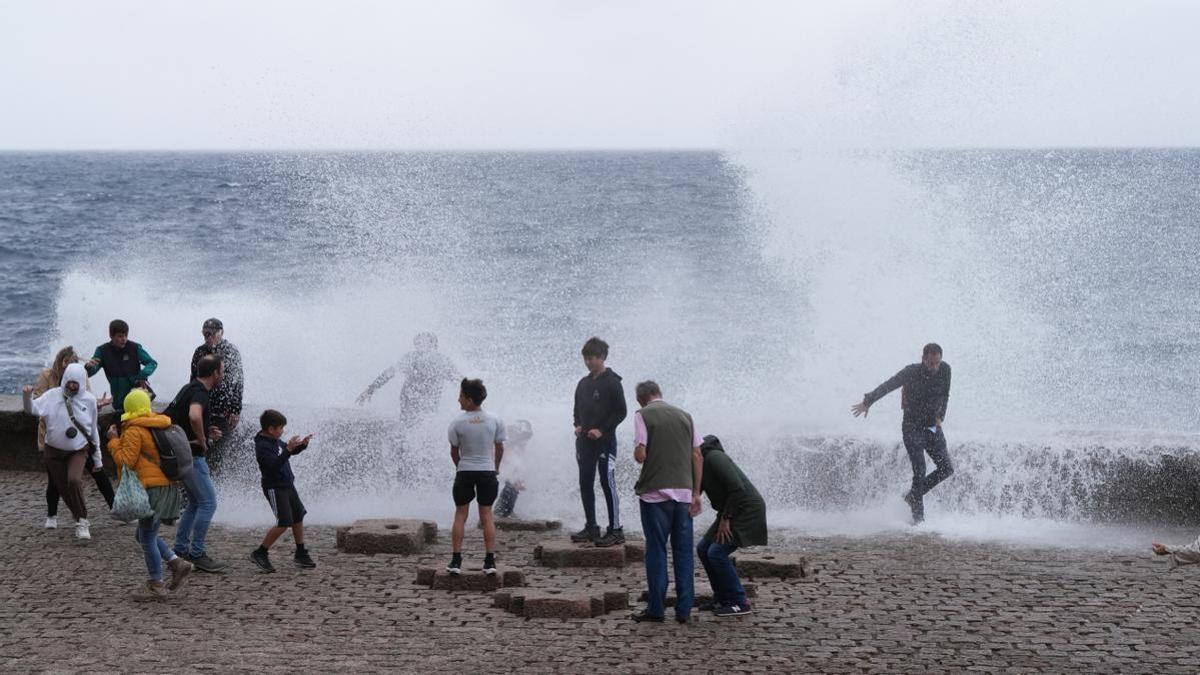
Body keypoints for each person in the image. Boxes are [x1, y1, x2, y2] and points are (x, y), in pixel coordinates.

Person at [105, 389, 193, 600]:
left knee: (146, 537)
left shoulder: (135, 430)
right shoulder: (157, 423)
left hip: (152, 489)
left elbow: (126, 461)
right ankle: (176, 563)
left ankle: (156, 584)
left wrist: (113, 441)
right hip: (165, 486)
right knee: (143, 534)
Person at [851, 343, 953, 524]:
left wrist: (940, 417)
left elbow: (945, 394)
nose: (934, 367)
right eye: (931, 363)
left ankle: (913, 496)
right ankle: (919, 521)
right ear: (923, 359)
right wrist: (868, 401)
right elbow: (888, 385)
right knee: (920, 470)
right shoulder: (911, 372)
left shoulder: (945, 370)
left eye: (937, 362)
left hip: (932, 426)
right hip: (912, 427)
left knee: (946, 469)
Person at [630, 380, 703, 624]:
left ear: (641, 399)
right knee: (683, 552)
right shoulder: (686, 416)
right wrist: (696, 493)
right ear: (659, 394)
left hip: (655, 494)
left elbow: (641, 453)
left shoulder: (642, 415)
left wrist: (639, 453)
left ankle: (656, 608)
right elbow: (697, 454)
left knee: (657, 549)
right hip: (684, 493)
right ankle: (684, 610)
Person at [34, 346, 113, 529]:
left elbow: (87, 402)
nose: (70, 366)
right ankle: (52, 515)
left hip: (81, 440)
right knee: (55, 480)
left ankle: (115, 507)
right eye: (67, 362)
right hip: (54, 435)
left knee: (98, 473)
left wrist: (98, 404)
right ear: (60, 361)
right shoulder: (48, 376)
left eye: (73, 363)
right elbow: (38, 402)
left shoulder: (80, 377)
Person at [22, 363, 103, 540]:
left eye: (76, 383)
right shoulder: (52, 396)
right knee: (64, 489)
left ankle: (82, 521)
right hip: (53, 452)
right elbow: (32, 409)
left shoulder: (89, 400)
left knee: (73, 480)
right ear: (64, 380)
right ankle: (80, 519)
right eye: (69, 382)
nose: (72, 386)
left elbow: (93, 430)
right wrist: (27, 396)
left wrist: (98, 459)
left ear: (82, 382)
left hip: (78, 450)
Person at [168, 354, 228, 573]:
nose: (223, 374)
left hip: (180, 454)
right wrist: (202, 439)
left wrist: (206, 429)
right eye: (221, 370)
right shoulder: (201, 392)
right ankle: (197, 553)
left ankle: (181, 549)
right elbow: (194, 416)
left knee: (194, 503)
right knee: (209, 503)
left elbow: (183, 418)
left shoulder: (188, 387)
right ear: (214, 373)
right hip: (192, 456)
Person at [696, 435, 767, 618]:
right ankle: (722, 598)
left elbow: (737, 488)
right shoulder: (698, 461)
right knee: (703, 548)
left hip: (745, 509)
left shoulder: (714, 457)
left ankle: (739, 601)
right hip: (731, 509)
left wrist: (726, 519)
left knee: (716, 553)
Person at [570, 337, 628, 547]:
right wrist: (577, 424)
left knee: (607, 483)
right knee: (585, 482)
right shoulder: (583, 383)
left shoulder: (612, 382)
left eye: (592, 358)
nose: (588, 362)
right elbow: (576, 409)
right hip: (584, 442)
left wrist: (602, 430)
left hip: (605, 442)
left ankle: (615, 529)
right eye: (585, 358)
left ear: (602, 357)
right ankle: (591, 526)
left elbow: (621, 412)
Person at [446, 378, 506, 576]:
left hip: (465, 471)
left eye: (461, 396)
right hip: (487, 471)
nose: (458, 400)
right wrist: (495, 468)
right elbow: (499, 447)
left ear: (470, 399)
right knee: (486, 514)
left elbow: (454, 452)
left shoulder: (457, 422)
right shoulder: (495, 420)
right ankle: (489, 561)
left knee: (460, 515)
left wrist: (460, 467)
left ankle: (456, 560)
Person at [250, 409, 316, 573]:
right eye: (280, 428)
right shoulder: (263, 446)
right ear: (271, 429)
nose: (283, 431)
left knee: (298, 516)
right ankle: (260, 553)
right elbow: (273, 465)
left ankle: (300, 552)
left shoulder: (274, 440)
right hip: (275, 487)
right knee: (284, 522)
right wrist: (288, 450)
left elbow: (287, 451)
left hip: (287, 484)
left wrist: (301, 446)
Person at [357, 332, 459, 427]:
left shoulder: (442, 362)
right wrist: (371, 389)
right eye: (418, 343)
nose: (420, 345)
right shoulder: (411, 358)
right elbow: (390, 373)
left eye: (424, 343)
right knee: (407, 426)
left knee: (425, 424)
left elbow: (458, 380)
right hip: (409, 399)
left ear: (433, 346)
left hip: (429, 402)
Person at [189, 318, 244, 465]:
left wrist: (236, 409)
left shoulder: (231, 351)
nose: (209, 337)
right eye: (206, 334)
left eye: (212, 334)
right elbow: (193, 379)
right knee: (200, 447)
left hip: (223, 408)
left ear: (221, 333)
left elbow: (238, 381)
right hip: (203, 405)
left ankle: (214, 481)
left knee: (218, 450)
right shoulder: (200, 352)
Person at [84, 318, 158, 418]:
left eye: (125, 336)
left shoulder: (134, 348)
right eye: (120, 336)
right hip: (118, 404)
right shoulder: (102, 351)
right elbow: (89, 373)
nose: (124, 339)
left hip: (137, 401)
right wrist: (88, 367)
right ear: (111, 335)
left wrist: (142, 375)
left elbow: (152, 363)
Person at [494, 420, 532, 519]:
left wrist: (520, 476)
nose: (526, 440)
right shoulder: (510, 438)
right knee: (512, 484)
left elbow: (520, 457)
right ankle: (501, 511)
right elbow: (505, 453)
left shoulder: (520, 441)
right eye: (525, 437)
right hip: (504, 463)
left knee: (515, 486)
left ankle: (507, 510)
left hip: (510, 465)